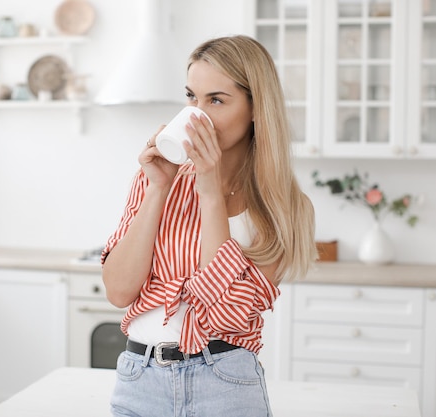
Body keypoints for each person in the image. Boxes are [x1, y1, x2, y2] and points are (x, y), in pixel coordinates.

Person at [101, 35, 317, 417]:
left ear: (255, 108)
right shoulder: (155, 180)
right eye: (191, 97)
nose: (197, 114)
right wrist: (158, 189)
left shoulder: (285, 207)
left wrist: (211, 193)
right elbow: (119, 291)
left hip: (225, 383)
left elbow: (223, 316)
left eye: (216, 100)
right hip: (140, 379)